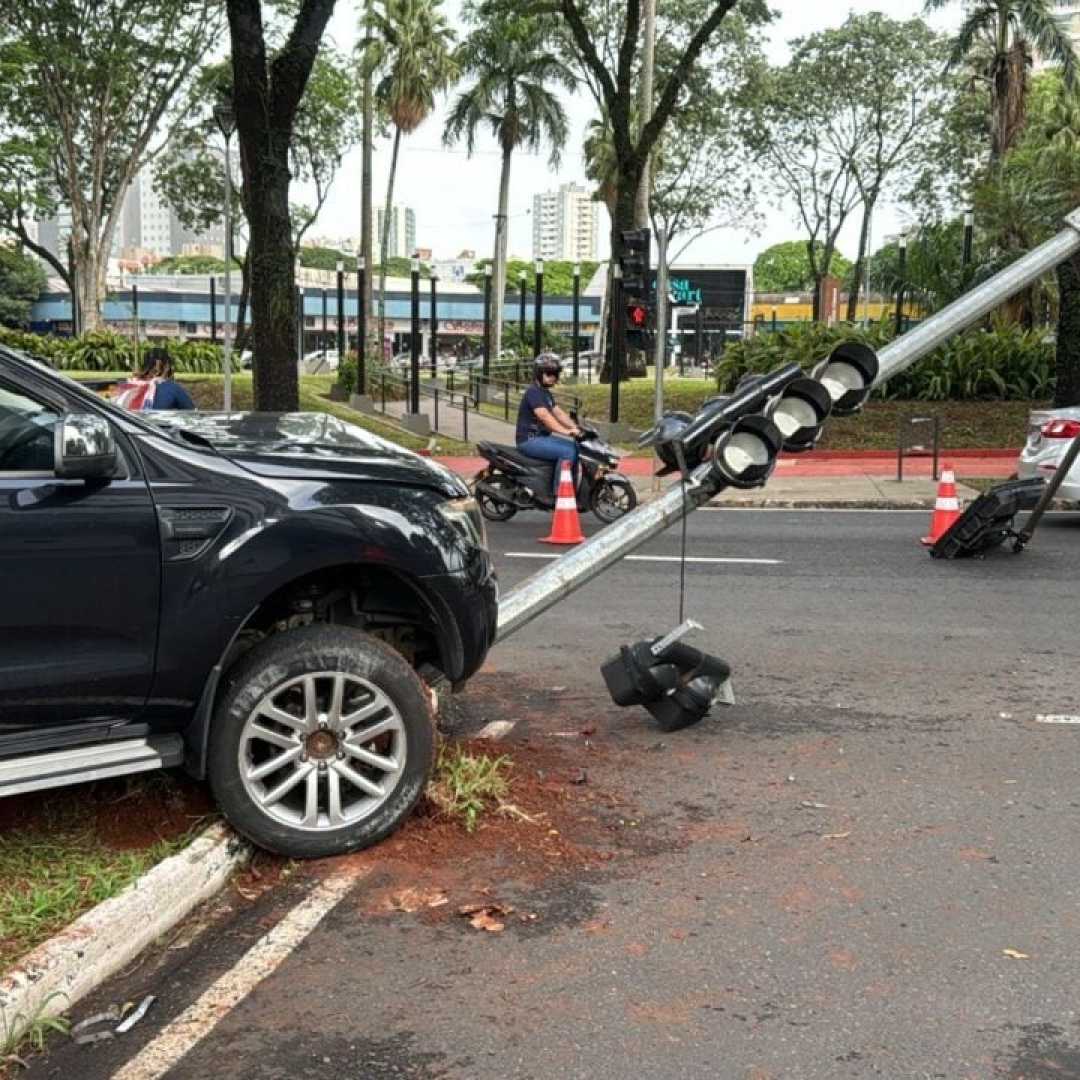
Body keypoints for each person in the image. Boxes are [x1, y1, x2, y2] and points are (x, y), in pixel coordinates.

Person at [516, 354, 582, 499]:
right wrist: (567, 432)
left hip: (542, 437)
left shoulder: (544, 393)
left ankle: (573, 487)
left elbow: (558, 413)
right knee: (567, 452)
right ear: (539, 374)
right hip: (529, 440)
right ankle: (560, 494)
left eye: (556, 374)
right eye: (549, 374)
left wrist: (577, 427)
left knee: (576, 448)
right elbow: (545, 417)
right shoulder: (533, 392)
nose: (553, 377)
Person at [112, 347, 196, 410]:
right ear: (167, 367)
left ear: (145, 364)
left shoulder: (123, 383)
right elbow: (193, 414)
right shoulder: (172, 388)